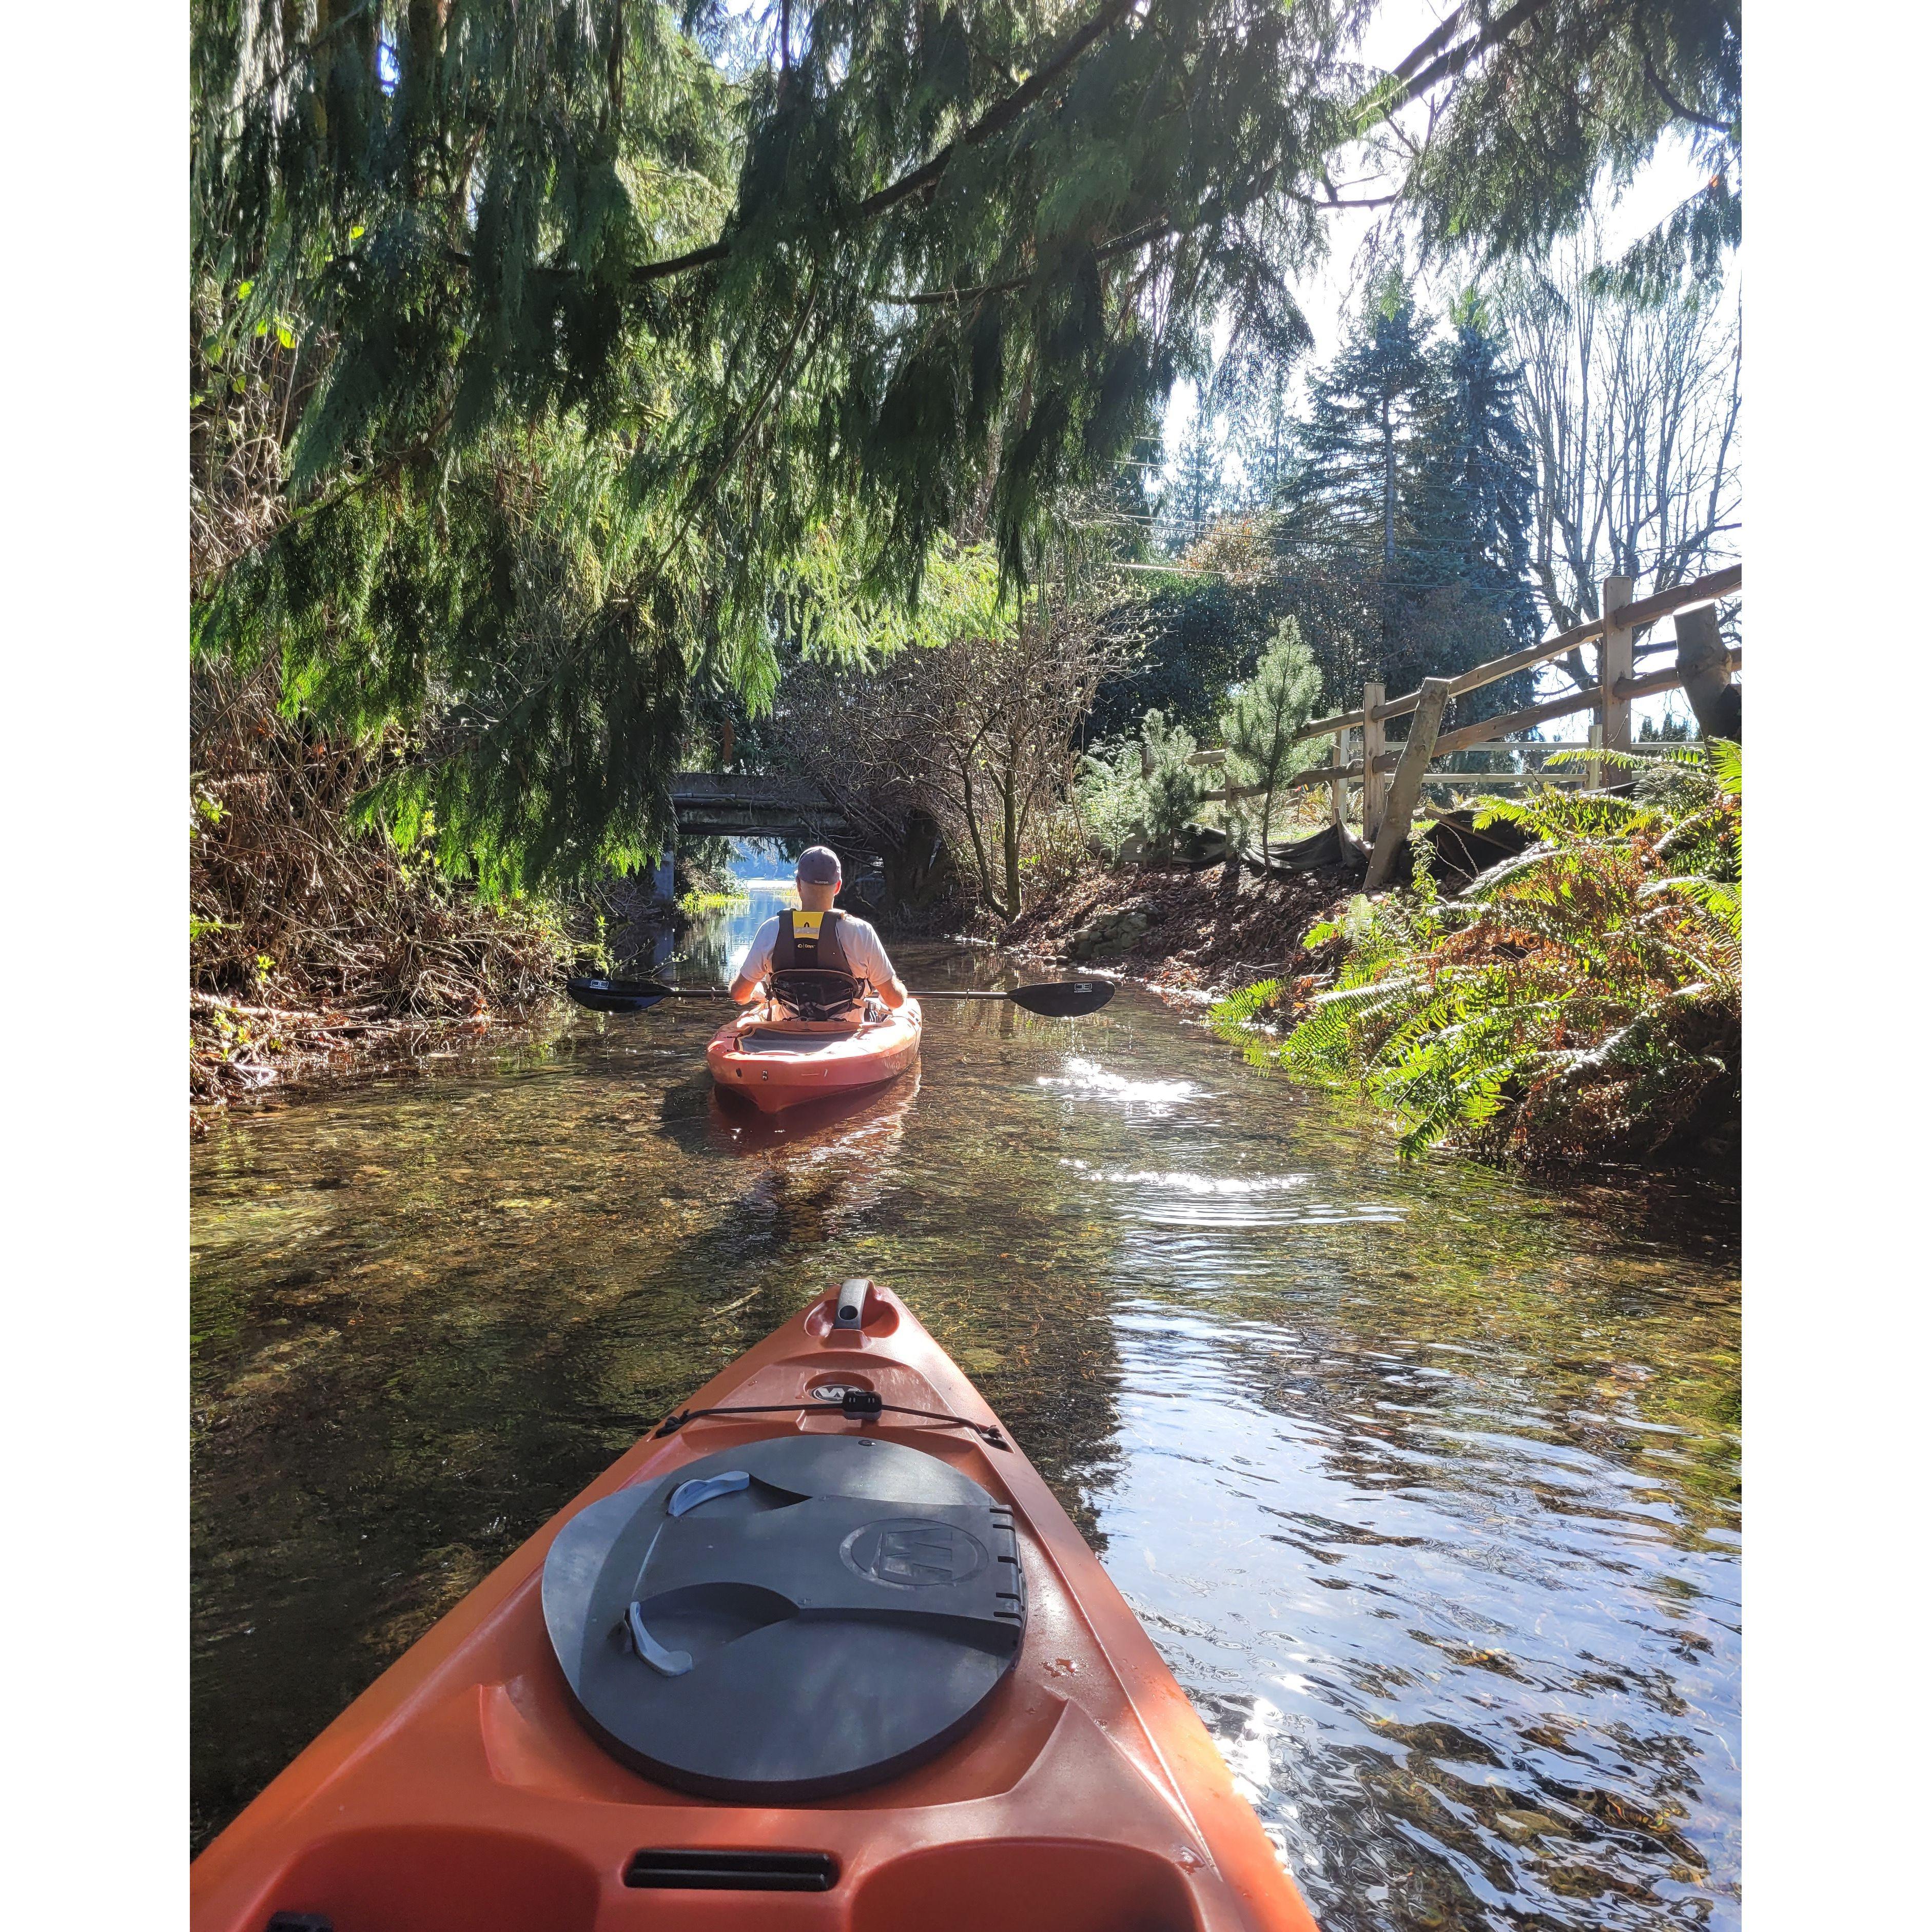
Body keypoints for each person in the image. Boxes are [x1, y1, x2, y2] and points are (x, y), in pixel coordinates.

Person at [730, 847, 909, 1019]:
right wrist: (898, 988)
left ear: (799, 885)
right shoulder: (861, 933)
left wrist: (756, 993)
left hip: (786, 1033)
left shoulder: (771, 930)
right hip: (845, 1037)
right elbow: (895, 1001)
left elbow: (739, 995)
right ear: (838, 886)